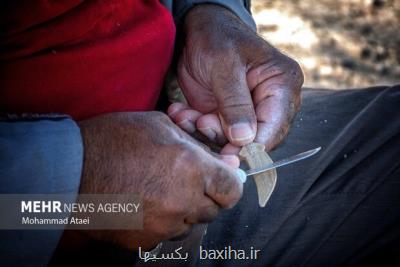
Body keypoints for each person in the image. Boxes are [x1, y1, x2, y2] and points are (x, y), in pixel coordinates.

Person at [0, 0, 399, 266]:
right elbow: (19, 210)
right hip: (40, 217)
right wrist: (75, 183)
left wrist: (210, 13)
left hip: (178, 153)